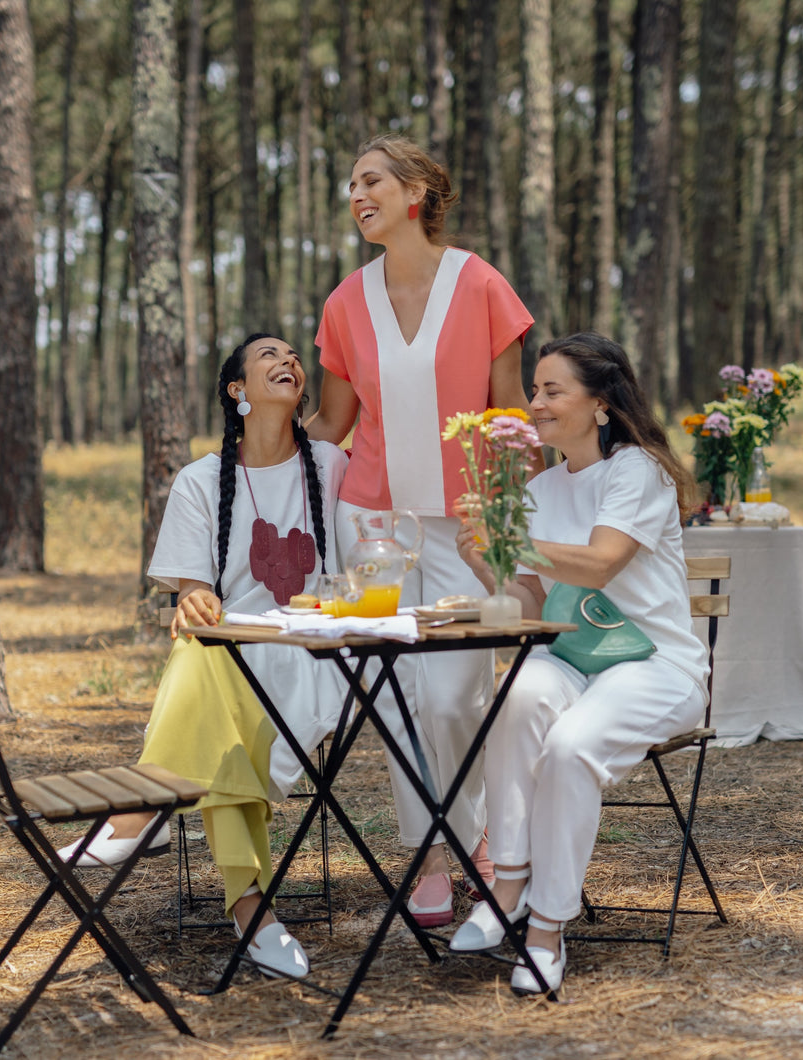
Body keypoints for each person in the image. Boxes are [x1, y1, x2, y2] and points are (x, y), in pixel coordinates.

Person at [58, 333, 349, 979]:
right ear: (237, 391)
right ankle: (250, 910)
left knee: (203, 673)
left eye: (294, 354)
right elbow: (194, 586)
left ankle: (148, 803)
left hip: (314, 653)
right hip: (232, 654)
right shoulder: (200, 479)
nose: (289, 360)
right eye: (268, 354)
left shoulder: (331, 466)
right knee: (202, 655)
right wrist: (194, 597)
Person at [305, 134, 537, 927]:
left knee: (451, 695)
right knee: (400, 697)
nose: (356, 194)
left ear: (415, 194)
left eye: (369, 179)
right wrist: (254, 448)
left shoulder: (480, 285)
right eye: (350, 183)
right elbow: (333, 423)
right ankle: (434, 853)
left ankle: (466, 828)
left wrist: (513, 523)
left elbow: (510, 414)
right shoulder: (344, 302)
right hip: (372, 522)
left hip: (466, 525)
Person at [448, 332, 710, 994]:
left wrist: (514, 536)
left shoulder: (637, 470)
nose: (534, 402)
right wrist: (484, 558)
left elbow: (599, 565)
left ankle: (546, 929)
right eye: (534, 390)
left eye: (551, 390)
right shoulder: (538, 486)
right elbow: (527, 603)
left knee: (569, 748)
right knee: (517, 694)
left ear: (600, 403)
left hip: (652, 664)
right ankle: (508, 883)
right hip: (574, 656)